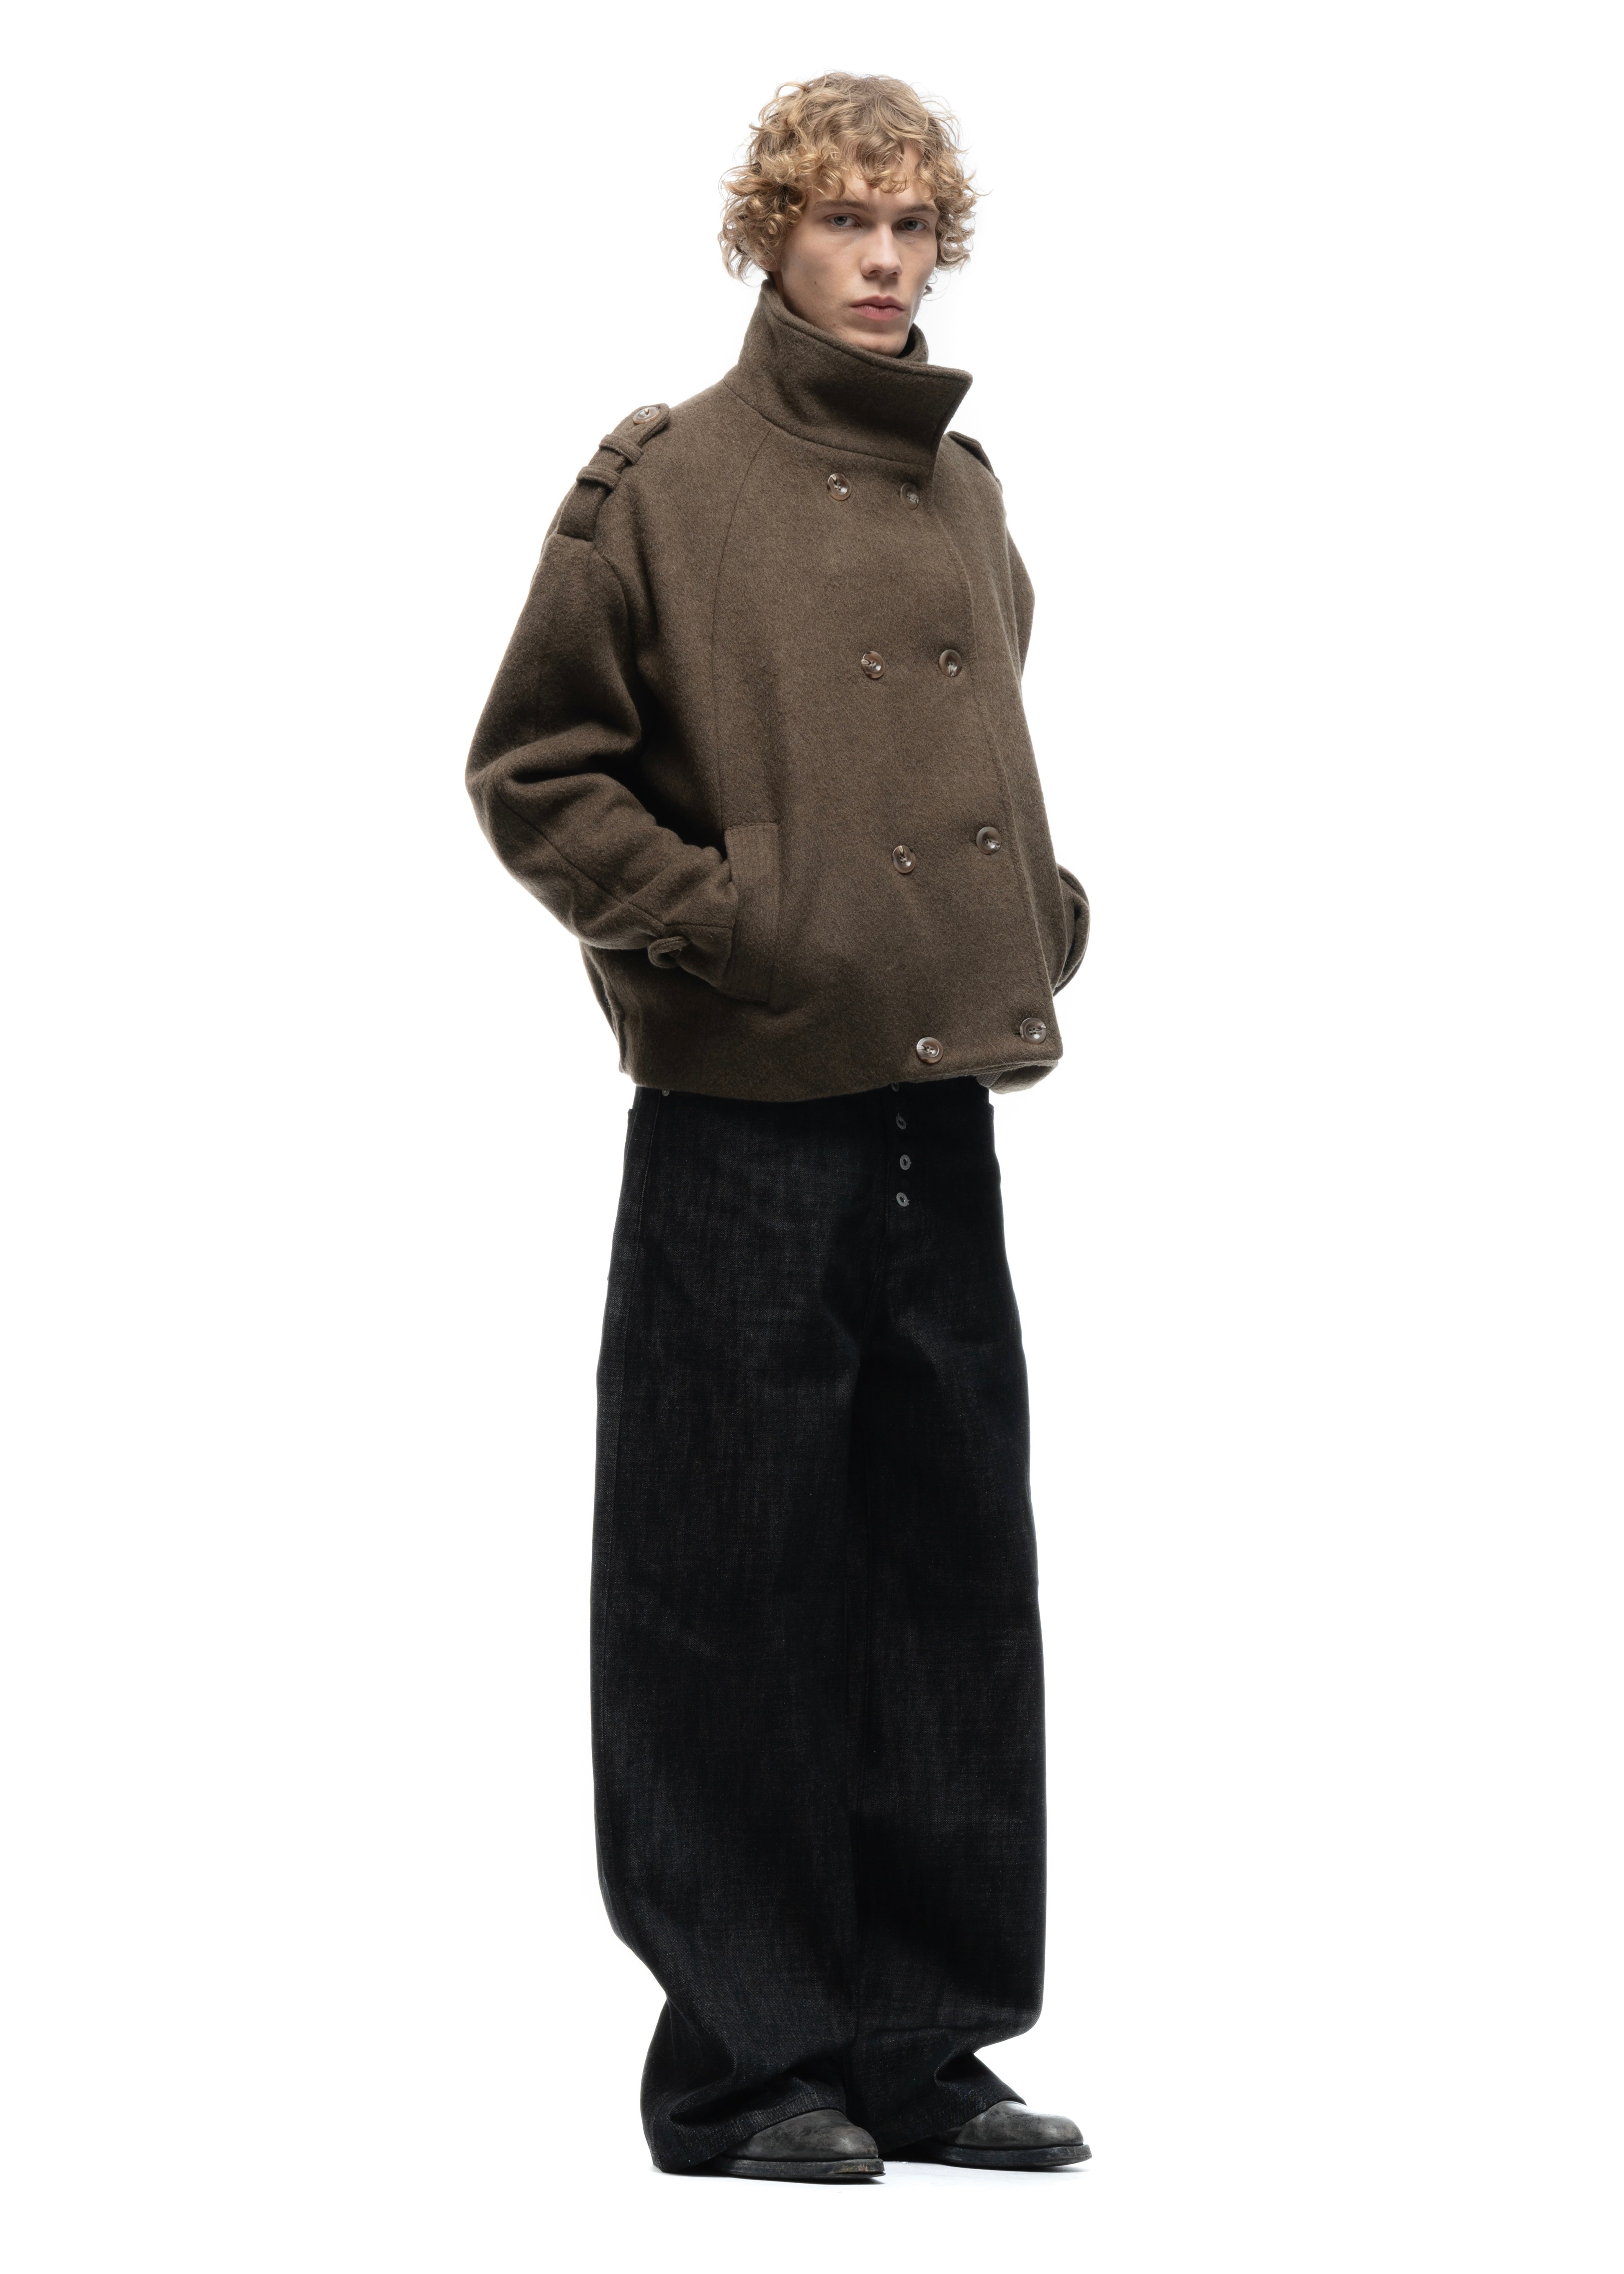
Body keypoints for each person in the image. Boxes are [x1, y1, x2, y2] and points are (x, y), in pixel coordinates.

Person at [467, 73, 1091, 2182]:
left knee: (949, 1576)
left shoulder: (967, 488)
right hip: (741, 1110)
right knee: (723, 1583)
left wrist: (1036, 913)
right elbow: (537, 771)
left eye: (912, 224)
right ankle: (744, 2066)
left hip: (935, 1102)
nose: (884, 258)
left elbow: (979, 741)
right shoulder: (666, 481)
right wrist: (731, 926)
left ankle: (919, 2040)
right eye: (843, 220)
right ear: (771, 234)